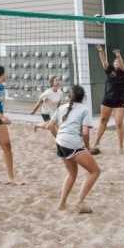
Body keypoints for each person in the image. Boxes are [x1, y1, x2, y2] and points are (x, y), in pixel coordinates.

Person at [48, 85, 101, 214]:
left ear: (69, 96)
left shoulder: (61, 108)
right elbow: (85, 133)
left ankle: (62, 204)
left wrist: (59, 138)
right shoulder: (84, 109)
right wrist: (87, 148)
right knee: (95, 171)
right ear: (83, 98)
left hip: (61, 143)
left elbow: (50, 126)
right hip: (72, 144)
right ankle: (79, 202)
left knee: (72, 174)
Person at [90, 46, 124, 155]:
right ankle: (96, 142)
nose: (116, 62)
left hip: (120, 101)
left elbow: (123, 64)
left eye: (118, 62)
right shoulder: (110, 71)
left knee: (119, 123)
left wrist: (118, 55)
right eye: (115, 62)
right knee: (103, 121)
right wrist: (101, 51)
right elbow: (104, 61)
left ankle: (120, 146)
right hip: (108, 100)